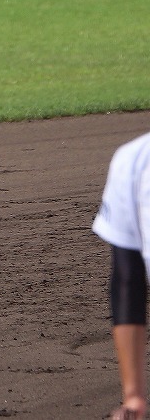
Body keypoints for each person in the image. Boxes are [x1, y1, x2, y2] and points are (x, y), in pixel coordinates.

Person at [93, 131, 150, 420]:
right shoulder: (132, 160)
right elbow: (128, 278)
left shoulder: (134, 160)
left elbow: (128, 279)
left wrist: (134, 395)